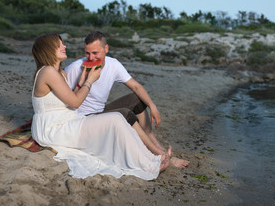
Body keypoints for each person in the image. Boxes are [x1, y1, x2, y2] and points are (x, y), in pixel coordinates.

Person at [30, 33, 171, 180]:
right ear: (48, 49)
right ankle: (149, 165)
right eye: (59, 44)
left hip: (67, 120)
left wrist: (82, 82)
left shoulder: (59, 73)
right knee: (116, 118)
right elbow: (76, 103)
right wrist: (89, 81)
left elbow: (69, 100)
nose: (64, 46)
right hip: (54, 129)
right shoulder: (48, 71)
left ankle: (152, 159)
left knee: (118, 118)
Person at [65, 30, 189, 169]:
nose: (91, 58)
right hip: (83, 120)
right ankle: (161, 155)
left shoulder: (114, 64)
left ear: (106, 49)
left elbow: (135, 86)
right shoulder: (75, 69)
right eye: (87, 53)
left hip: (100, 113)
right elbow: (62, 100)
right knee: (124, 113)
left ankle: (158, 148)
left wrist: (153, 106)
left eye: (95, 53)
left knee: (137, 99)